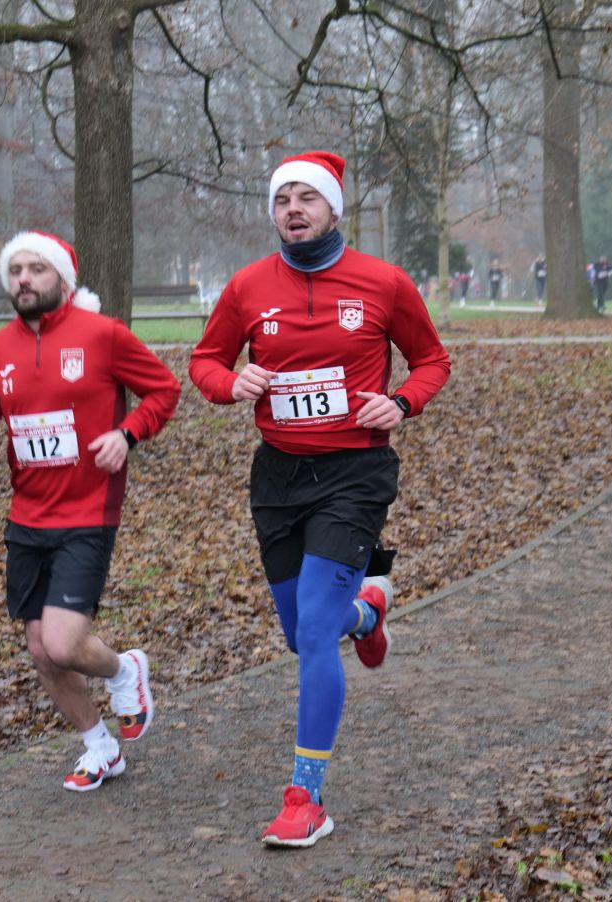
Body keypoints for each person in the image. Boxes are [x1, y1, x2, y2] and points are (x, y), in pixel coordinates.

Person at [188, 151, 451, 847]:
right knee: (304, 631)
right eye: (283, 200)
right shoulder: (248, 287)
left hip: (355, 474)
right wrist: (230, 384)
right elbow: (204, 361)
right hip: (278, 478)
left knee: (311, 636)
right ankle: (366, 614)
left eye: (307, 198)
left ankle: (305, 796)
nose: (294, 210)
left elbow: (433, 360)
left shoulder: (383, 282)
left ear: (334, 208)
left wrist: (402, 402)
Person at [0, 230, 181, 793]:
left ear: (63, 278)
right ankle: (100, 746)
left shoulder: (103, 335)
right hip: (27, 517)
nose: (24, 279)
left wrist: (127, 434)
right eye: (16, 270)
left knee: (61, 642)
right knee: (41, 652)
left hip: (87, 512)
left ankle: (125, 670)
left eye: (37, 269)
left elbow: (163, 391)